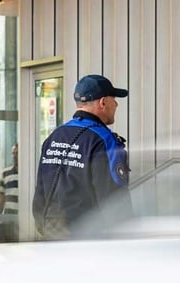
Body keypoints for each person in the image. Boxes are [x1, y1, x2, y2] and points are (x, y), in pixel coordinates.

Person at [33, 74, 132, 239]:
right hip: (88, 241)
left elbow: (41, 191)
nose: (116, 104)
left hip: (51, 236)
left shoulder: (54, 137)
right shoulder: (104, 140)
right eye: (113, 98)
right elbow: (113, 199)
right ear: (103, 102)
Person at [0, 143, 19, 215]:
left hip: (25, 216)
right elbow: (1, 197)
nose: (15, 156)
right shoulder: (5, 173)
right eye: (13, 154)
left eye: (17, 153)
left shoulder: (29, 174)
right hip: (9, 216)